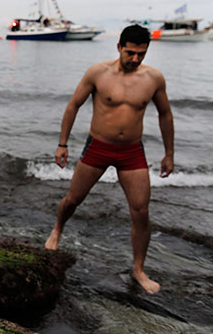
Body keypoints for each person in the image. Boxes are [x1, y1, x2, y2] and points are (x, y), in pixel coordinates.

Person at [45, 24, 174, 294]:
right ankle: (57, 229)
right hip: (98, 147)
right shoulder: (98, 73)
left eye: (141, 53)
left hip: (131, 151)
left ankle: (138, 270)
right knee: (73, 200)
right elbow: (74, 105)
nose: (135, 59)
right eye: (130, 53)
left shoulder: (154, 78)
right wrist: (62, 144)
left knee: (141, 211)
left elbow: (165, 115)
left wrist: (169, 154)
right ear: (119, 47)